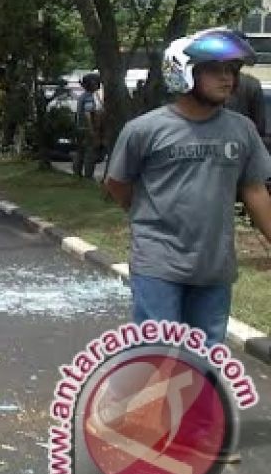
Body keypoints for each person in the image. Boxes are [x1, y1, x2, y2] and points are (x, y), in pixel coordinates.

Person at [105, 28, 271, 348]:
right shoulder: (145, 130)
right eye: (215, 70)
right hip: (158, 263)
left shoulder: (242, 130)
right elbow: (117, 183)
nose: (227, 79)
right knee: (158, 357)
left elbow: (254, 191)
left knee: (206, 359)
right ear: (183, 72)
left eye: (232, 71)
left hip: (214, 268)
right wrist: (149, 217)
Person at [72, 72, 106, 180]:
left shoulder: (82, 96)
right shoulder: (88, 97)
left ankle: (77, 174)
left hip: (79, 128)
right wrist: (92, 130)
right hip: (87, 128)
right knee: (90, 152)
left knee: (80, 151)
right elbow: (88, 114)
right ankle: (88, 176)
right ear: (92, 83)